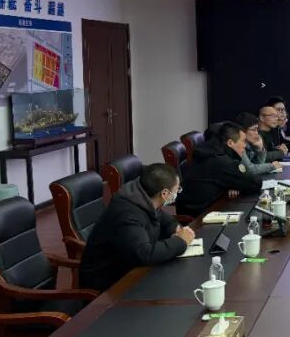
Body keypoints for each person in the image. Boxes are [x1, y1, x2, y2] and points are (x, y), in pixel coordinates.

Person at [79, 163, 195, 292]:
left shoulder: (143, 198)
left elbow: (164, 219)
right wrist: (180, 242)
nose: (177, 193)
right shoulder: (126, 214)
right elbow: (143, 253)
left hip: (130, 270)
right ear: (164, 193)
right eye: (177, 190)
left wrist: (176, 230)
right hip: (110, 284)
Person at [178, 121, 264, 217]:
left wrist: (233, 184)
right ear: (230, 143)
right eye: (243, 141)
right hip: (199, 214)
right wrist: (236, 184)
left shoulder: (211, 150)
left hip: (201, 206)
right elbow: (255, 182)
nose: (245, 145)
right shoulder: (221, 161)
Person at [235, 112, 284, 176]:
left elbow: (258, 164)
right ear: (242, 131)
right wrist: (272, 166)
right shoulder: (237, 145)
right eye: (253, 129)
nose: (257, 133)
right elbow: (250, 170)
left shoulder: (250, 144)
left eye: (257, 129)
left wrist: (260, 149)